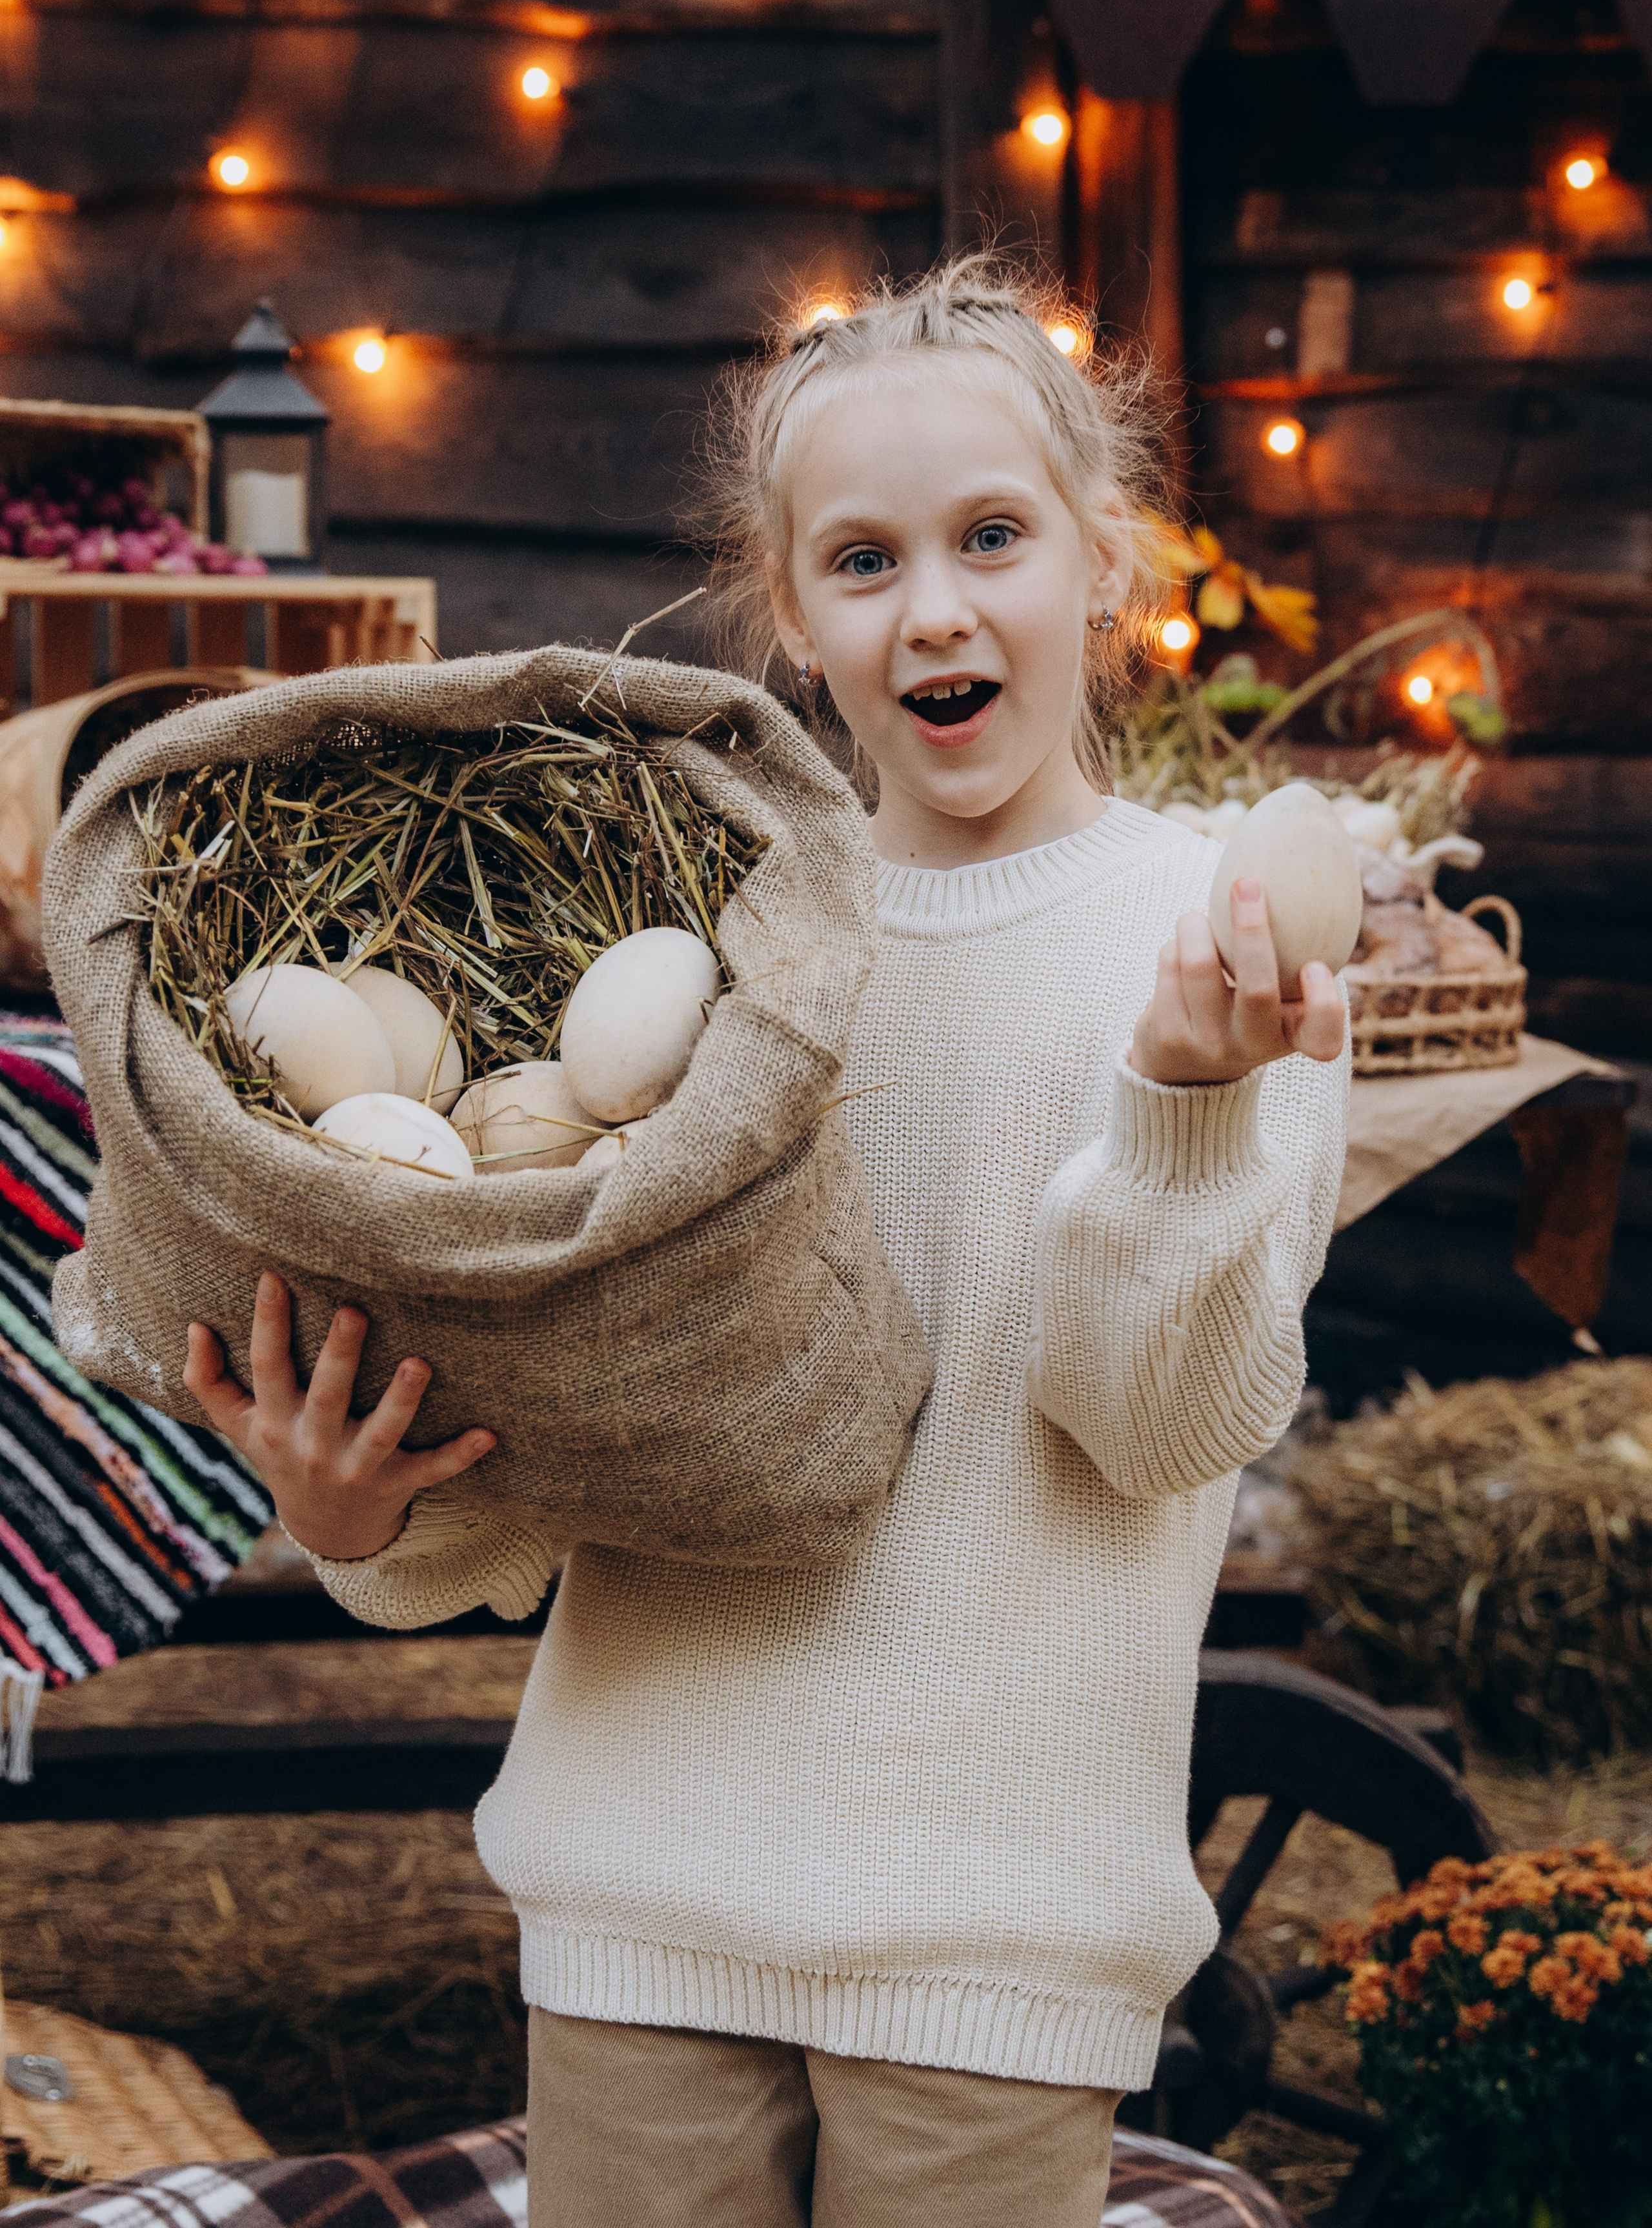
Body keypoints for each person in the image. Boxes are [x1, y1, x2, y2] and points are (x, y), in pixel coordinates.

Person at [183, 255, 1349, 2228]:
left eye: (994, 537)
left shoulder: (1213, 943)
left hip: (999, 1935)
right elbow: (586, 1419)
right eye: (868, 560)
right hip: (646, 1884)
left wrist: (1176, 1099)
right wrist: (367, 1521)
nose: (942, 606)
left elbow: (1156, 1424)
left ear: (1106, 564)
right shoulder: (709, 947)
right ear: (793, 615)